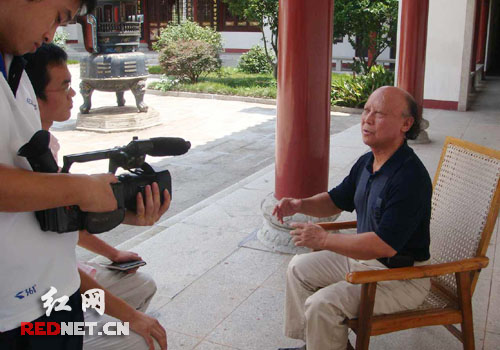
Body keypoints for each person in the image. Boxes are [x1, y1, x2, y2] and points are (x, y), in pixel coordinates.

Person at [0, 1, 164, 349]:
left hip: (59, 297)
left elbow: (37, 202)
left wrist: (115, 210)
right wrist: (80, 188)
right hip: (13, 318)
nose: (50, 34)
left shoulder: (17, 69)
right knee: (135, 338)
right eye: (58, 17)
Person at [274, 86, 432, 350]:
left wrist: (324, 239)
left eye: (378, 113)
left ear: (406, 123)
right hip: (364, 260)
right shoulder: (367, 161)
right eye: (366, 110)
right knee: (298, 268)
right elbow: (336, 199)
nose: (367, 119)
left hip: (400, 276)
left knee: (322, 303)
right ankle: (317, 344)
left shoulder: (409, 177)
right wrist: (299, 204)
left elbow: (383, 245)